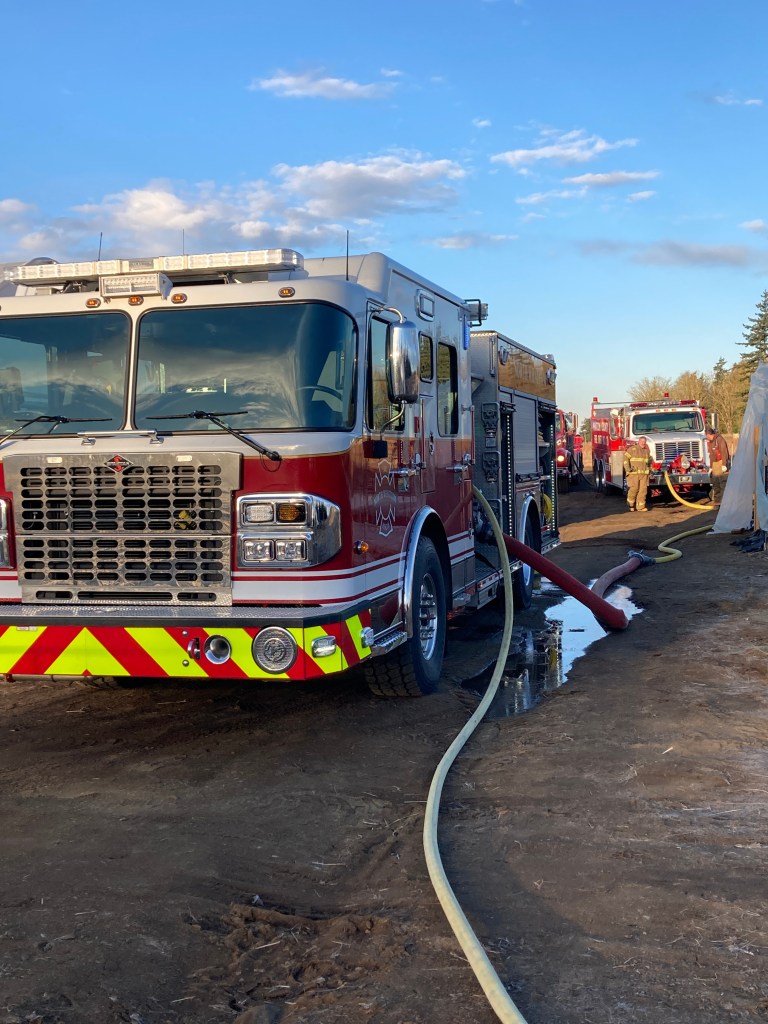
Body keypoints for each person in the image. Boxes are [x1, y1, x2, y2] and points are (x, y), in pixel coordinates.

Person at [623, 435, 653, 512]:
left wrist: (650, 471)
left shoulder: (646, 451)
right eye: (642, 441)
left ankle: (640, 507)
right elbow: (625, 458)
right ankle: (631, 504)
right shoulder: (632, 449)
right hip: (634, 474)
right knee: (634, 488)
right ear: (638, 442)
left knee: (643, 490)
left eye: (644, 442)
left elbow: (649, 463)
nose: (643, 443)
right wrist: (627, 468)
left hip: (644, 475)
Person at [706, 427, 730, 504]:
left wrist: (724, 465)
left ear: (710, 434)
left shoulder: (719, 440)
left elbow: (724, 452)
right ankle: (717, 503)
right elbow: (711, 456)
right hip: (715, 465)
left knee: (722, 484)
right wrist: (711, 467)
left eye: (707, 435)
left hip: (721, 463)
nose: (707, 437)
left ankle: (724, 503)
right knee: (716, 485)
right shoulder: (710, 442)